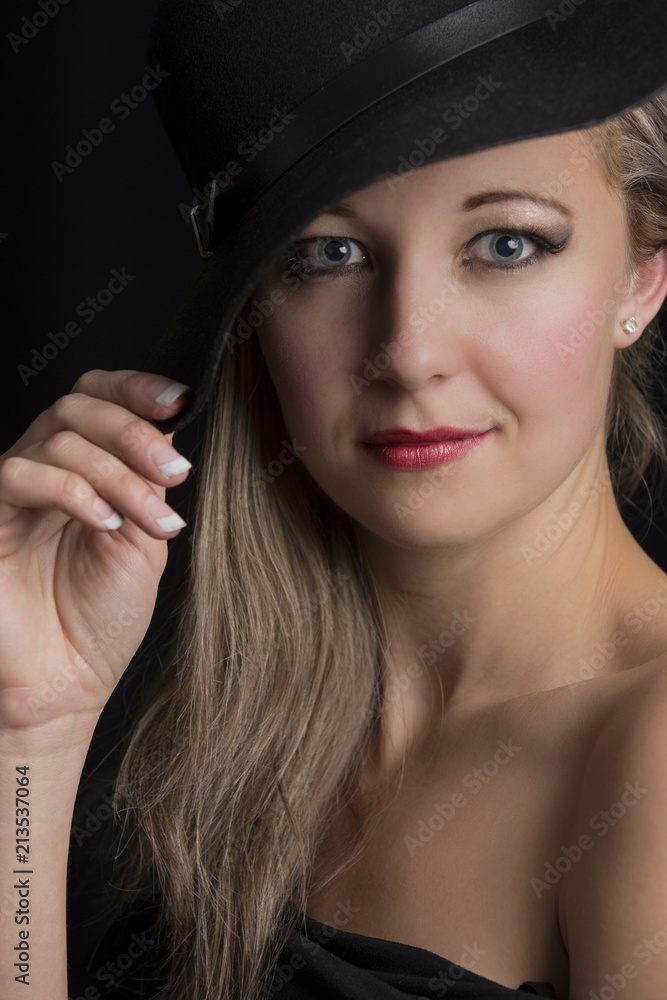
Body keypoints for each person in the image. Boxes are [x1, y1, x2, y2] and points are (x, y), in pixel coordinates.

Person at [2, 2, 667, 999]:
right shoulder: (245, 738)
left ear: (643, 275)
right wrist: (28, 742)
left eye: (505, 244)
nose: (408, 352)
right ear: (251, 311)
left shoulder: (648, 756)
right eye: (329, 253)